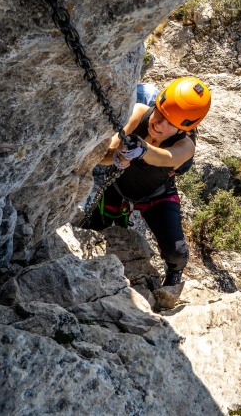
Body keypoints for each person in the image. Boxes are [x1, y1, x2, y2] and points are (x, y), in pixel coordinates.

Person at [82, 76, 211, 287]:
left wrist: (142, 148)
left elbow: (165, 158)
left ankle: (174, 271)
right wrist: (116, 155)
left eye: (170, 124)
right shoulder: (141, 112)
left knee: (176, 252)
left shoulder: (186, 145)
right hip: (117, 187)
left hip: (157, 194)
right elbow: (105, 153)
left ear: (183, 129)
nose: (158, 124)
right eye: (160, 113)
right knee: (90, 229)